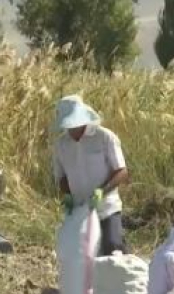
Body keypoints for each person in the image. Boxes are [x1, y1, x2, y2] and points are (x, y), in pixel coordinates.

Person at [52, 95, 129, 256]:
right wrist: (67, 197)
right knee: (82, 255)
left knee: (113, 248)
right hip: (79, 210)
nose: (71, 130)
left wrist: (102, 191)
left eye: (74, 125)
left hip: (107, 207)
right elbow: (62, 177)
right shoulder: (61, 144)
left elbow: (121, 171)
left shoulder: (104, 137)